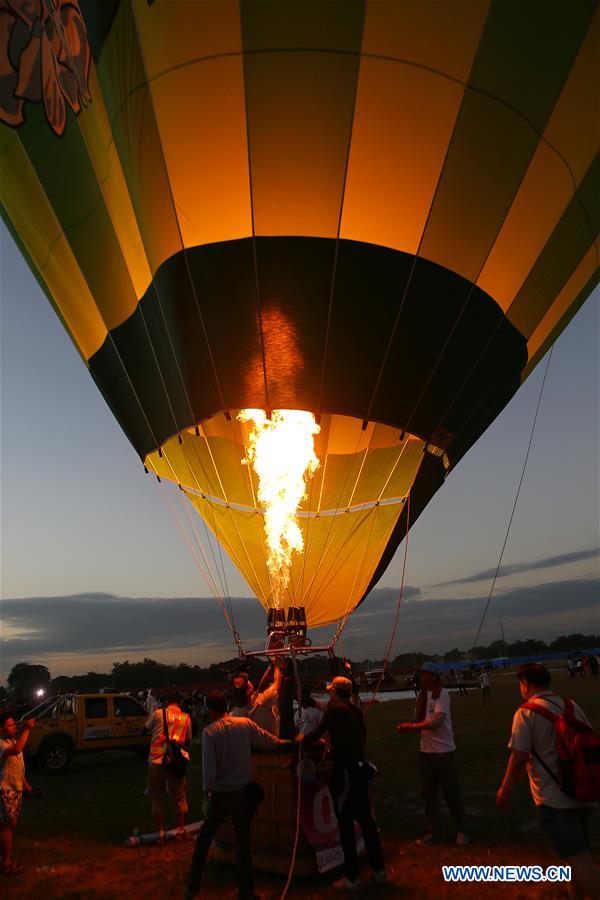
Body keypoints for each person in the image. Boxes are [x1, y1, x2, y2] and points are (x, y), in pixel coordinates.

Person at [496, 663, 600, 900]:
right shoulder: (571, 705)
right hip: (583, 791)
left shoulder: (525, 713)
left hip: (553, 800)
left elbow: (519, 758)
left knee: (580, 860)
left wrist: (505, 790)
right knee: (576, 857)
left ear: (525, 684)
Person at [185, 690, 292, 900]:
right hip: (241, 794)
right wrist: (291, 743)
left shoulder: (210, 732)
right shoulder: (244, 724)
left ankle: (192, 888)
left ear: (209, 709)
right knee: (244, 845)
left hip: (220, 795)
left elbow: (209, 770)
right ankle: (246, 892)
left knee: (204, 842)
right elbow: (269, 741)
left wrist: (208, 795)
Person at [300, 675, 387, 891]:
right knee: (366, 821)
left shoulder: (335, 710)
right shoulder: (355, 711)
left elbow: (316, 733)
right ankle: (379, 871)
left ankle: (352, 877)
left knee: (345, 824)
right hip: (358, 768)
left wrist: (303, 740)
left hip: (345, 772)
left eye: (330, 690)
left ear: (334, 692)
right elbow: (362, 737)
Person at [396, 661, 469, 846]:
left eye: (424, 674)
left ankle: (463, 831)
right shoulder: (422, 695)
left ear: (433, 676)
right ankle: (434, 832)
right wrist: (407, 725)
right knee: (429, 794)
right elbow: (418, 718)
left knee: (451, 793)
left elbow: (437, 722)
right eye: (420, 674)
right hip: (426, 751)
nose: (420, 677)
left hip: (443, 751)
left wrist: (411, 726)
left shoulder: (442, 695)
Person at [144, 691, 192, 845]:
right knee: (179, 797)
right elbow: (188, 739)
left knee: (157, 797)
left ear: (166, 702)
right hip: (175, 763)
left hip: (156, 760)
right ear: (180, 702)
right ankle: (180, 831)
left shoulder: (158, 714)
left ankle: (160, 834)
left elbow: (144, 729)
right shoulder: (186, 717)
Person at [0, 712, 36, 875]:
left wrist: (26, 785)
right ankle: (6, 863)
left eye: (14, 724)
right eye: (9, 725)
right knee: (7, 827)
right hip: (5, 789)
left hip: (16, 789)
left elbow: (18, 764)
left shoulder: (12, 740)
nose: (13, 726)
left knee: (9, 826)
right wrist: (27, 729)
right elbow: (17, 750)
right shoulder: (1, 744)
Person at [230, 660, 283, 736]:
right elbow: (277, 683)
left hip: (250, 747)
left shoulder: (234, 714)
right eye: (248, 681)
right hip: (271, 746)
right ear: (248, 690)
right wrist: (277, 666)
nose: (249, 681)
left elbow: (260, 688)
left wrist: (270, 666)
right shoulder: (265, 700)